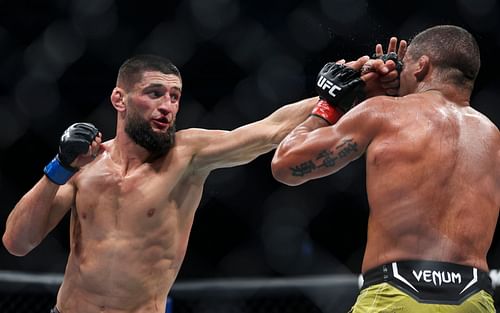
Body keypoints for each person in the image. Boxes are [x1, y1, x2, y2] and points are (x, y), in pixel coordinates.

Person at [2, 46, 400, 313]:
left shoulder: (187, 153)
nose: (167, 106)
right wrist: (59, 167)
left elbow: (267, 130)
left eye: (174, 97)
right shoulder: (83, 164)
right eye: (154, 94)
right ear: (119, 100)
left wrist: (342, 93)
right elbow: (17, 242)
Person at [271, 25, 499, 312]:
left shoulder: (382, 113)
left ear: (422, 66)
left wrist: (331, 103)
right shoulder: (493, 138)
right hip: (474, 299)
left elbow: (285, 164)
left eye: (404, 66)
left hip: (396, 294)